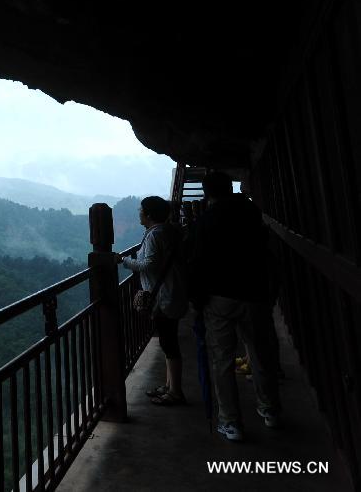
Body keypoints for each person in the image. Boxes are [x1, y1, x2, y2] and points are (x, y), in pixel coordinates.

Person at [189, 171, 281, 442]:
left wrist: (196, 301)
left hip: (220, 299)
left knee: (222, 360)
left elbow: (197, 263)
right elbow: (267, 251)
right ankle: (271, 411)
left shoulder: (205, 222)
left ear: (207, 193)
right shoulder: (252, 213)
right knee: (261, 354)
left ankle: (230, 422)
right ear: (230, 188)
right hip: (255, 294)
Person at [115, 196, 188, 405]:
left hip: (164, 297)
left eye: (141, 210)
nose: (139, 213)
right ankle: (169, 386)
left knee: (169, 343)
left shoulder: (156, 234)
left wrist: (124, 261)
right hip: (172, 293)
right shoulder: (169, 231)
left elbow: (148, 265)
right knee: (168, 342)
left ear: (148, 214)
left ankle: (175, 392)